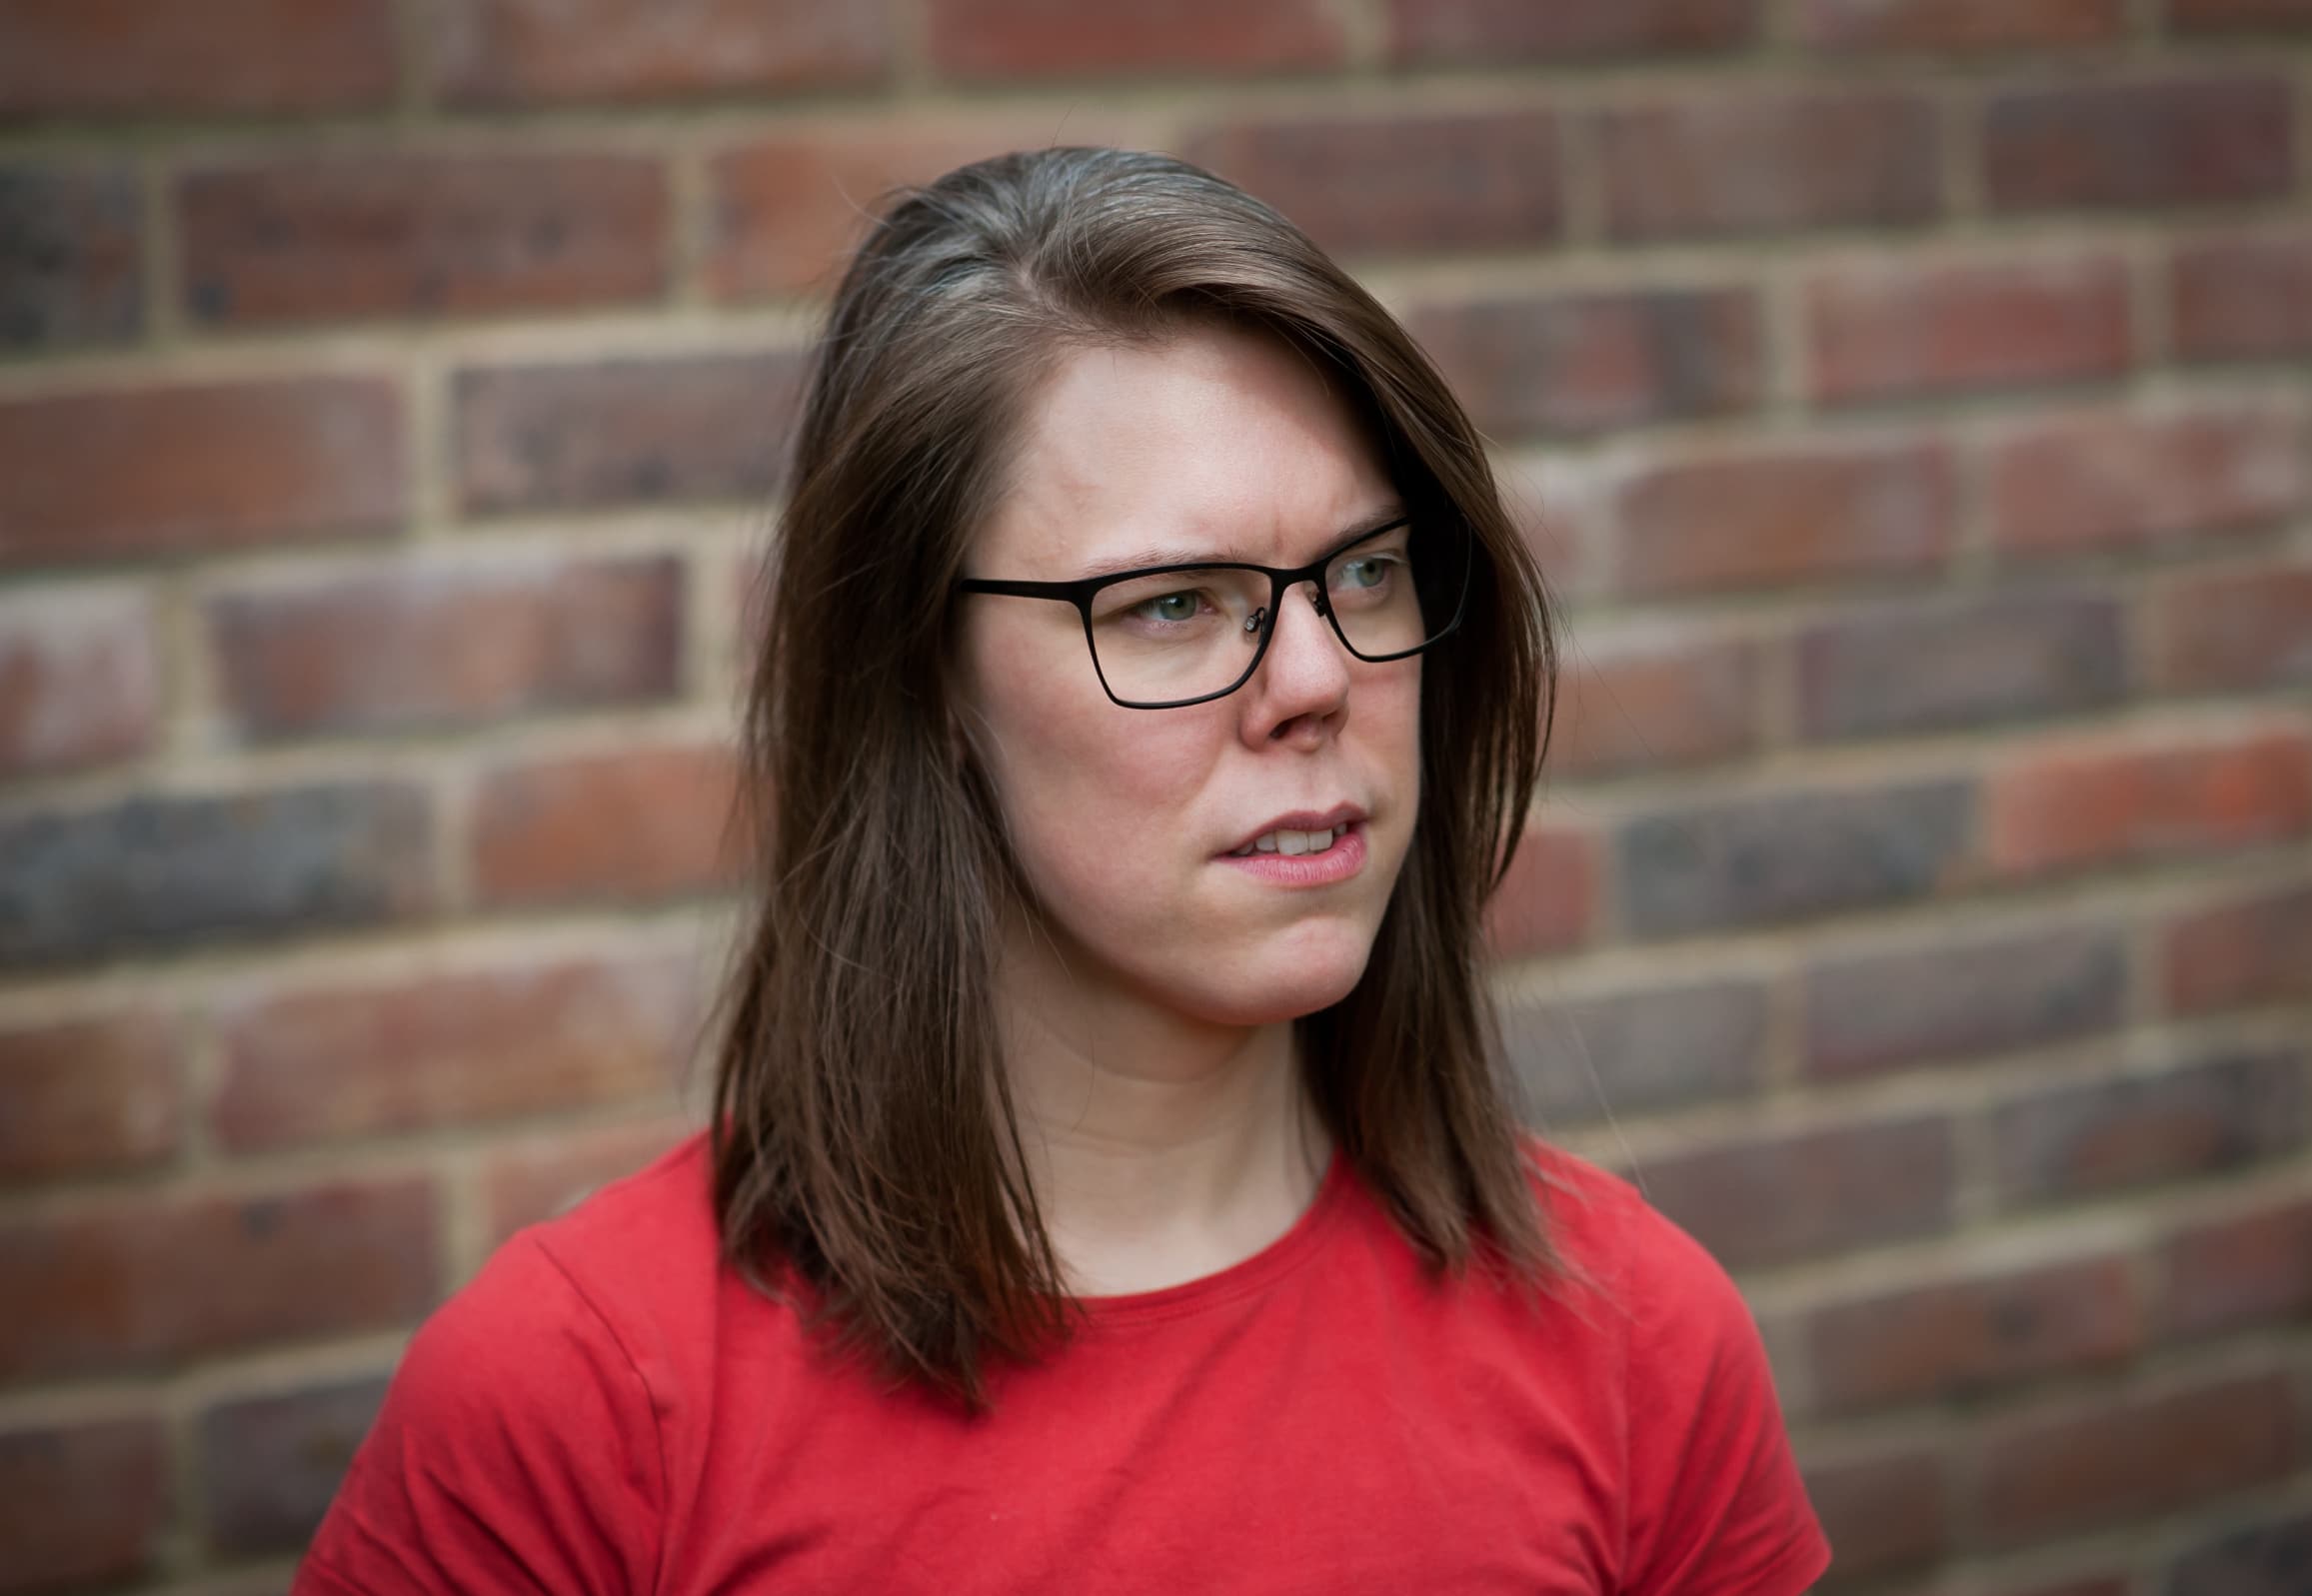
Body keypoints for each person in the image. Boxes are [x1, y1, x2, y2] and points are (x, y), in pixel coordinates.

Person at [293, 146, 1829, 1594]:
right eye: (1171, 603)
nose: (1315, 673)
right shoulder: (576, 1404)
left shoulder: (1638, 1337)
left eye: (1365, 569)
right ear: (930, 680)